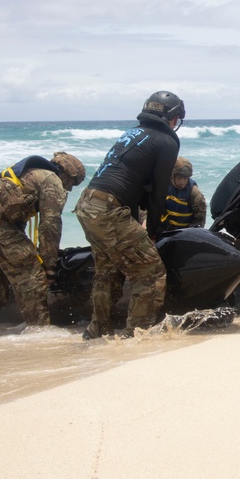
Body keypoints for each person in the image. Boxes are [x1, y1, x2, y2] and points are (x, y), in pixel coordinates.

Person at [75, 91, 184, 339]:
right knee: (149, 271)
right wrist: (154, 232)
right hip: (110, 209)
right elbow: (158, 194)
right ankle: (137, 335)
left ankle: (98, 329)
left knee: (107, 271)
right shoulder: (167, 141)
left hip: (88, 204)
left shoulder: (132, 133)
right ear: (174, 118)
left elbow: (131, 188)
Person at [0, 152, 86, 327]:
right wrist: (49, 266)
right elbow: (50, 225)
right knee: (33, 277)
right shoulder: (52, 180)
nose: (70, 189)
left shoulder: (29, 174)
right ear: (67, 174)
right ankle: (39, 332)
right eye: (73, 183)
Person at [161, 156, 207, 229]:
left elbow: (200, 220)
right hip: (164, 229)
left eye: (185, 178)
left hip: (185, 232)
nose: (182, 182)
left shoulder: (195, 194)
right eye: (179, 178)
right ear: (173, 176)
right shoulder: (164, 186)